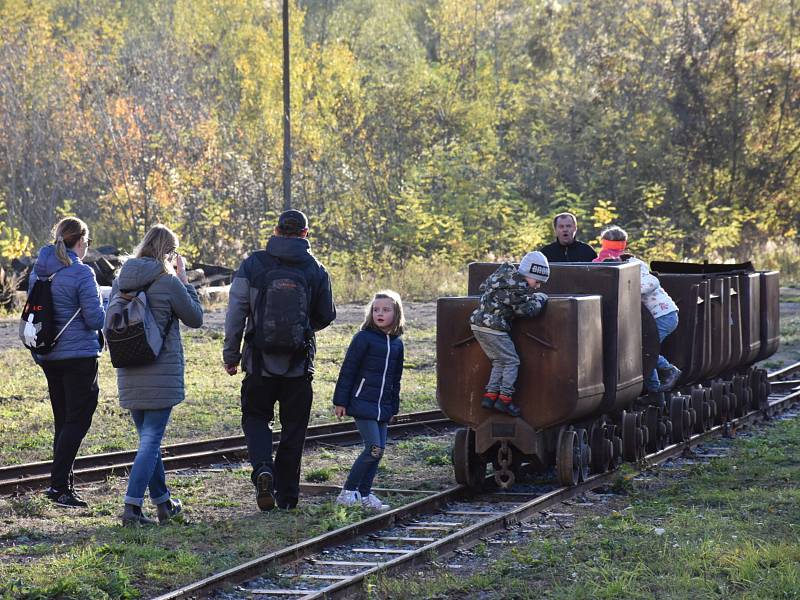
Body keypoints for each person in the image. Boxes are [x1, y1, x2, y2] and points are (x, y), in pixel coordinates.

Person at [224, 209, 336, 511]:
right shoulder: (315, 269)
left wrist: (231, 354)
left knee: (256, 418)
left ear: (276, 230)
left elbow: (236, 313)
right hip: (298, 365)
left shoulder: (253, 264)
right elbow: (327, 315)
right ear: (305, 234)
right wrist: (301, 328)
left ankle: (262, 468)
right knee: (294, 429)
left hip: (259, 362)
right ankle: (287, 497)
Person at [111, 225, 204, 526]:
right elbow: (196, 318)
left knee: (147, 441)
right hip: (160, 370)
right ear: (169, 253)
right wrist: (184, 279)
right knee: (150, 442)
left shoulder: (120, 282)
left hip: (128, 367)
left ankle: (164, 505)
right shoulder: (169, 282)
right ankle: (132, 509)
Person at [28, 217, 105, 508]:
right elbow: (95, 319)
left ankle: (61, 487)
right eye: (88, 241)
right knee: (79, 419)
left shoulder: (39, 272)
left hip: (48, 355)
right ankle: (59, 485)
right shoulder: (82, 273)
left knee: (64, 419)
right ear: (80, 241)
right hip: (79, 356)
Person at [333, 290, 405, 513]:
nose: (380, 313)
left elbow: (396, 379)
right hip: (362, 402)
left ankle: (364, 494)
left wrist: (393, 407)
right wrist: (340, 401)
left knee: (379, 450)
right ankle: (347, 492)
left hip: (382, 407)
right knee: (373, 448)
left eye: (385, 310)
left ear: (396, 313)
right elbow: (348, 370)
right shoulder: (363, 338)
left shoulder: (397, 344)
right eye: (376, 310)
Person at [593, 225, 681, 392]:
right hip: (655, 316)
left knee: (645, 351)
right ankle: (655, 392)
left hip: (663, 314)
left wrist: (629, 290)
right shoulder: (611, 264)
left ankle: (668, 371)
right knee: (644, 352)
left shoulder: (633, 264)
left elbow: (653, 282)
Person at [469, 251, 550, 417]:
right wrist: (540, 298)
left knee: (499, 361)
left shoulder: (501, 278)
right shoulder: (517, 287)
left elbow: (483, 288)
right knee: (512, 361)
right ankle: (505, 399)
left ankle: (490, 396)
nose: (537, 286)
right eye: (537, 281)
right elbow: (527, 310)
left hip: (478, 325)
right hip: (494, 328)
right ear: (528, 274)